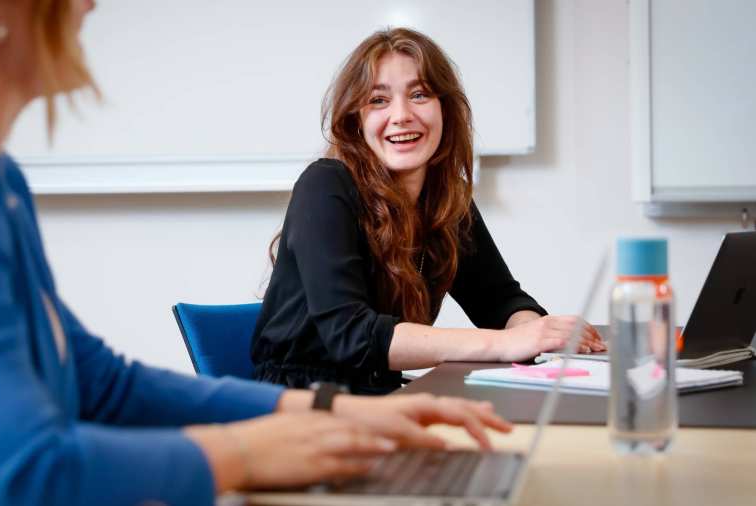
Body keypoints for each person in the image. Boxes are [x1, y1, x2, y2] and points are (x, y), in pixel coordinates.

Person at [0, 3, 514, 505]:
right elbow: (15, 477)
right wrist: (245, 453)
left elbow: (96, 384)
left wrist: (332, 412)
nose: (90, 5)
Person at [251, 28, 606, 394]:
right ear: (356, 120)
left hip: (383, 397)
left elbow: (500, 300)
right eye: (378, 100)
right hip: (304, 404)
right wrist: (504, 343)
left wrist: (535, 333)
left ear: (445, 110)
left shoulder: (447, 201)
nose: (401, 115)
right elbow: (352, 336)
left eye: (419, 94)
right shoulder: (325, 185)